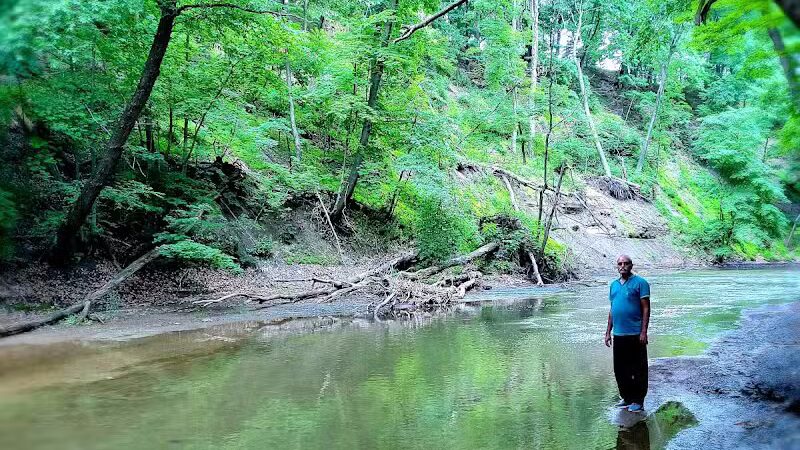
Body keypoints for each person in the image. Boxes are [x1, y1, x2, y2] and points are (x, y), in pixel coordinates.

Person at [604, 254, 651, 413]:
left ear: (631, 265)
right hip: (619, 334)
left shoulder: (641, 283)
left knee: (638, 368)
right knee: (620, 369)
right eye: (619, 263)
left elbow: (646, 308)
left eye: (625, 263)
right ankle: (626, 397)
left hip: (635, 334)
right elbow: (612, 309)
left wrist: (644, 331)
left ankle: (638, 400)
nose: (622, 266)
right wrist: (607, 332)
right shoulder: (614, 285)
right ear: (617, 266)